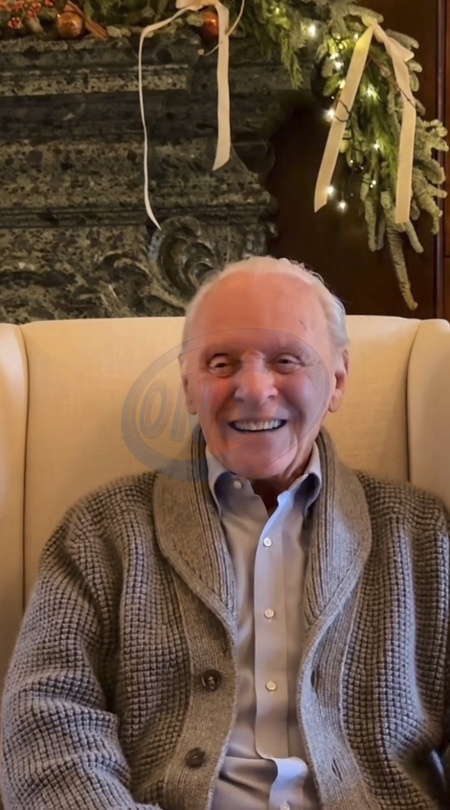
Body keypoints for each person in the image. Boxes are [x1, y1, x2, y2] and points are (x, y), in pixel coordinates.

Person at [1, 256, 450, 809]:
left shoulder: (423, 537)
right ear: (189, 387)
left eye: (286, 360)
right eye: (221, 363)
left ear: (336, 381)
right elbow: (45, 719)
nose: (255, 389)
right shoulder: (101, 533)